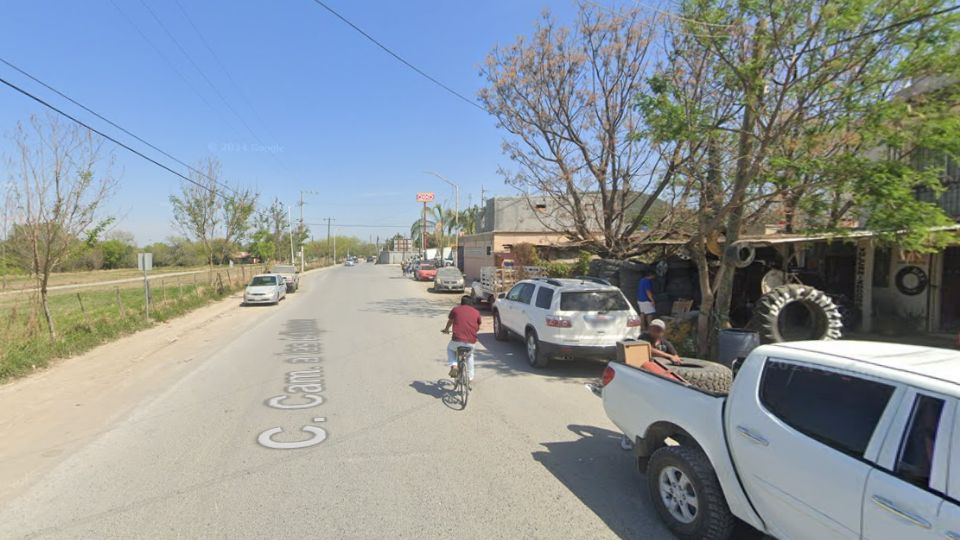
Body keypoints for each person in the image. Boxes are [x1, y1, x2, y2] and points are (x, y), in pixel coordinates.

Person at [441, 296, 482, 384]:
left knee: (450, 349)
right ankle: (470, 377)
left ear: (461, 302)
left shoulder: (456, 310)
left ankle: (454, 365)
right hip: (471, 341)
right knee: (469, 356)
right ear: (471, 303)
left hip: (457, 339)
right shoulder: (476, 312)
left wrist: (446, 329)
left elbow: (450, 321)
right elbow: (478, 327)